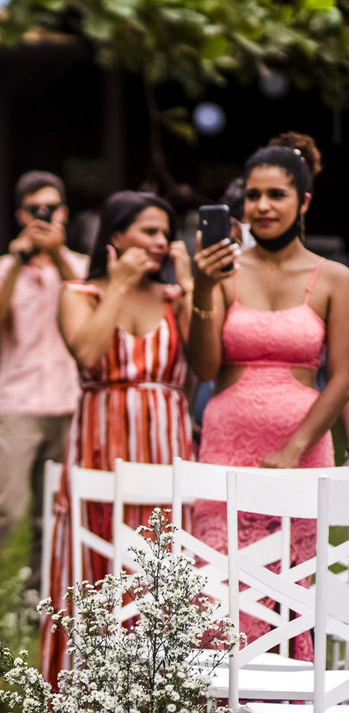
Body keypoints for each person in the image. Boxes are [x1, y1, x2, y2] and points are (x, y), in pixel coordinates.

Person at [190, 134, 349, 658]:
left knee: (290, 597)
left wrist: (293, 448)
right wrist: (201, 287)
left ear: (303, 202)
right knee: (217, 592)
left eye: (276, 195)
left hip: (300, 457)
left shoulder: (335, 279)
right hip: (226, 453)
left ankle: (289, 696)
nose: (261, 206)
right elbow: (204, 368)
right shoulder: (225, 273)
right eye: (253, 195)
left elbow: (343, 376)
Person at [41, 190, 195, 682]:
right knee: (94, 563)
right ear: (116, 236)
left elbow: (204, 365)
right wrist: (120, 285)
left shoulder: (174, 297)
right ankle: (84, 689)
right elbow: (88, 353)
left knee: (162, 565)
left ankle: (159, 689)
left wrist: (192, 288)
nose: (161, 241)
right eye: (149, 231)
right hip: (101, 448)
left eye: (166, 233)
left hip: (167, 450)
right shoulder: (78, 293)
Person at [0, 170, 87, 589]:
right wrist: (18, 265)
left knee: (54, 511)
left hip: (70, 402)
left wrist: (57, 255)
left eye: (51, 208)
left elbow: (90, 304)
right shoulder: (4, 267)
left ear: (64, 213)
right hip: (18, 403)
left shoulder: (79, 265)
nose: (44, 215)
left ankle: (39, 599)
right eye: (35, 209)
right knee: (4, 506)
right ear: (21, 215)